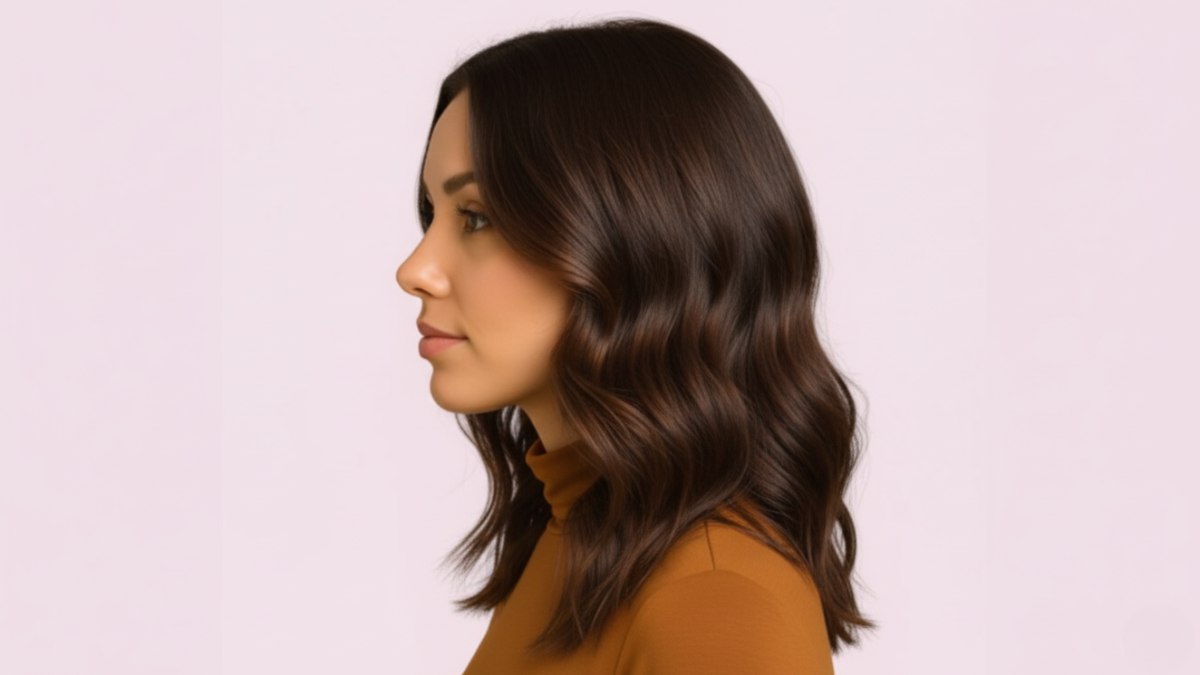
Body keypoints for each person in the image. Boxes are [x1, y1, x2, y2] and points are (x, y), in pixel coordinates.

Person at [395, 17, 876, 674]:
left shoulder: (715, 600)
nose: (415, 269)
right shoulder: (583, 535)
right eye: (433, 215)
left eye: (476, 217)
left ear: (634, 242)